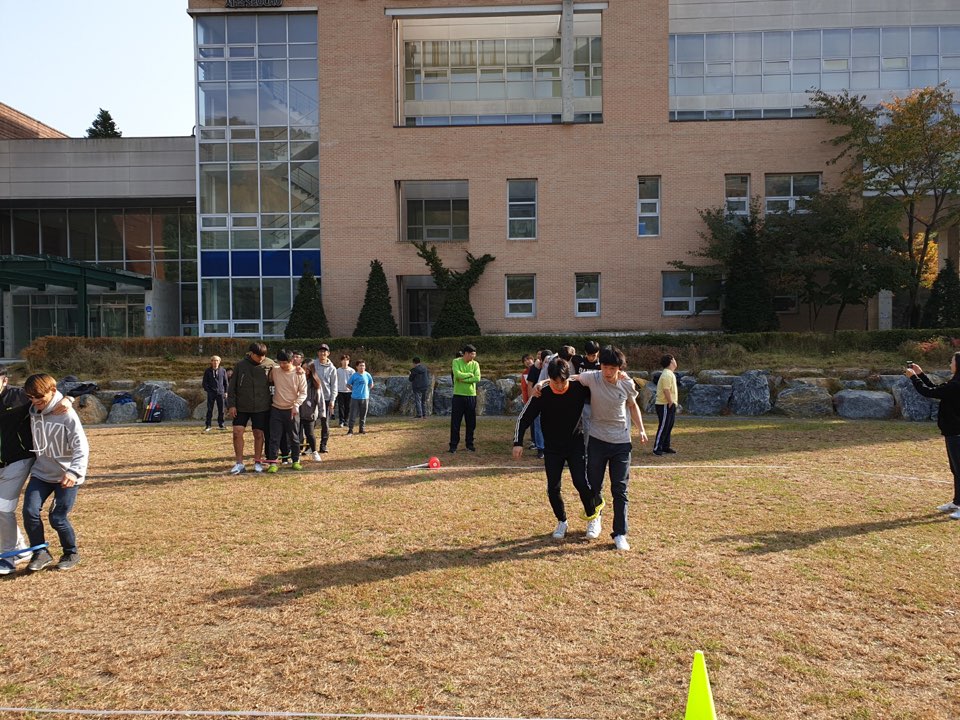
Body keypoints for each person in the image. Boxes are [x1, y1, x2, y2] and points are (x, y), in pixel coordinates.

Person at [573, 345, 648, 551]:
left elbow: (632, 406)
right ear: (601, 366)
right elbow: (569, 379)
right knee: (593, 485)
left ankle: (620, 533)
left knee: (620, 489)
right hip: (597, 440)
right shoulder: (592, 377)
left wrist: (641, 429)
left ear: (619, 368)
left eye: (612, 368)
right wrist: (541, 384)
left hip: (621, 442)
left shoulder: (626, 383)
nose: (608, 372)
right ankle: (594, 519)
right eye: (605, 367)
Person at [514, 358, 596, 539]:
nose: (559, 386)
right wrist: (517, 442)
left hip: (575, 444)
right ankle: (562, 521)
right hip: (552, 448)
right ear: (549, 378)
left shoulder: (578, 388)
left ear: (568, 378)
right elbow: (524, 418)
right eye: (554, 382)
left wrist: (621, 375)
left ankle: (593, 516)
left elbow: (599, 379)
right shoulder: (542, 392)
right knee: (553, 487)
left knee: (580, 482)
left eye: (562, 382)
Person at [22, 373, 90, 572]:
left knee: (57, 517)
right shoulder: (33, 410)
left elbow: (81, 447)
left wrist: (74, 472)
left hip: (67, 475)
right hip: (41, 473)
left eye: (39, 397)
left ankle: (70, 552)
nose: (35, 401)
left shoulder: (66, 413)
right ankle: (40, 552)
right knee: (29, 511)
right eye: (30, 397)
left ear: (52, 391)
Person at [906, 357, 960, 519]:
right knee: (956, 469)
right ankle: (957, 502)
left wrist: (913, 378)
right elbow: (936, 390)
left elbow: (928, 392)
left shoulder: (956, 385)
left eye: (952, 362)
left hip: (957, 432)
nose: (950, 364)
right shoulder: (954, 383)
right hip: (952, 432)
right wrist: (920, 375)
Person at [226, 342, 276, 475]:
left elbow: (283, 374)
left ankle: (257, 462)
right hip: (241, 406)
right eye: (259, 356)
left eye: (263, 356)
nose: (261, 358)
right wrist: (231, 405)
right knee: (237, 432)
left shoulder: (270, 364)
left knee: (258, 434)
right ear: (252, 354)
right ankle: (239, 463)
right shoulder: (240, 365)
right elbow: (232, 387)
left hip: (261, 406)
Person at [265, 350, 308, 473]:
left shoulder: (299, 373)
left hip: (292, 409)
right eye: (280, 362)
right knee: (274, 437)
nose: (282, 365)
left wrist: (296, 405)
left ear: (291, 361)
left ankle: (295, 460)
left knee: (294, 437)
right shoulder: (275, 370)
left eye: (285, 363)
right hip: (276, 409)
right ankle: (273, 462)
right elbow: (267, 370)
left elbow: (304, 392)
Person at [450, 344, 480, 453]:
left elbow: (477, 378)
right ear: (466, 353)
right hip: (458, 395)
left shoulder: (475, 364)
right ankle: (453, 445)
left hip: (471, 395)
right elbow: (457, 375)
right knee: (456, 421)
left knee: (471, 422)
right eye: (472, 354)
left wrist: (464, 380)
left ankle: (469, 444)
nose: (473, 357)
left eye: (474, 354)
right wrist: (470, 375)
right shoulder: (456, 361)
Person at [313, 344, 338, 451]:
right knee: (311, 423)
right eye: (320, 351)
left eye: (325, 351)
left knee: (325, 423)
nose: (322, 353)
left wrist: (332, 400)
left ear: (328, 353)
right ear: (318, 353)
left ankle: (323, 445)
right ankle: (309, 446)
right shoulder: (313, 365)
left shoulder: (332, 368)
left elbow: (334, 385)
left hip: (326, 399)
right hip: (313, 397)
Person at [653, 354, 679, 456]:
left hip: (669, 404)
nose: (676, 361)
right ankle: (657, 448)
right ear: (671, 361)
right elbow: (666, 390)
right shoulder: (667, 374)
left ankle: (665, 446)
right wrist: (670, 402)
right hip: (664, 404)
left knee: (669, 426)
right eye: (674, 359)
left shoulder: (670, 374)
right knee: (664, 426)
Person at [300, 362, 323, 462]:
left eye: (307, 369)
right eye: (303, 368)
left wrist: (321, 412)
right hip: (297, 410)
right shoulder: (298, 379)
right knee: (296, 434)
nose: (305, 371)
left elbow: (320, 398)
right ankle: (295, 453)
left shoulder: (315, 383)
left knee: (310, 433)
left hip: (309, 412)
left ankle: (314, 451)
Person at [202, 355, 228, 432]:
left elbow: (225, 382)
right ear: (211, 362)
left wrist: (226, 392)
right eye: (214, 360)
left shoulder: (223, 370)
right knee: (210, 409)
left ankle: (221, 424)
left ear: (219, 362)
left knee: (221, 410)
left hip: (220, 392)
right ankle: (208, 425)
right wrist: (208, 390)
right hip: (211, 393)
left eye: (217, 361)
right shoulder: (207, 371)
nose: (215, 362)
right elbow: (204, 383)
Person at [347, 360, 373, 435]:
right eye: (360, 366)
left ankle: (362, 429)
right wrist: (353, 390)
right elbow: (348, 384)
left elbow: (371, 384)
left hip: (365, 398)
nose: (362, 367)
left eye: (363, 366)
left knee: (363, 414)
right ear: (357, 367)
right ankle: (350, 430)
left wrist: (367, 390)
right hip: (355, 398)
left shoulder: (367, 375)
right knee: (353, 414)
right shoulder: (354, 375)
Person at [335, 354, 354, 428]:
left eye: (347, 360)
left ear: (349, 361)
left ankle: (346, 420)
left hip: (349, 391)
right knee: (341, 407)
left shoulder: (352, 371)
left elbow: (354, 381)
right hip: (340, 391)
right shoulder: (338, 370)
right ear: (341, 361)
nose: (345, 362)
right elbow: (335, 381)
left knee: (348, 407)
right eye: (343, 360)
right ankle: (341, 421)